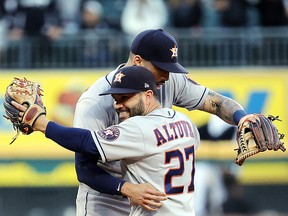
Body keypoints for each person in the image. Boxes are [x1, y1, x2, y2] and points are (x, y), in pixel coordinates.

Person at [73, 29, 248, 216]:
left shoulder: (167, 81)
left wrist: (243, 118)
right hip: (106, 199)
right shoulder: (95, 101)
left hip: (150, 198)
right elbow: (84, 169)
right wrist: (125, 188)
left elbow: (217, 102)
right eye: (161, 68)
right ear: (138, 61)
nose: (167, 75)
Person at [13, 65, 202, 215]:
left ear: (148, 95)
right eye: (115, 98)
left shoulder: (139, 128)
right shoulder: (183, 121)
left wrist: (42, 124)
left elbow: (87, 142)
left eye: (126, 97)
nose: (118, 105)